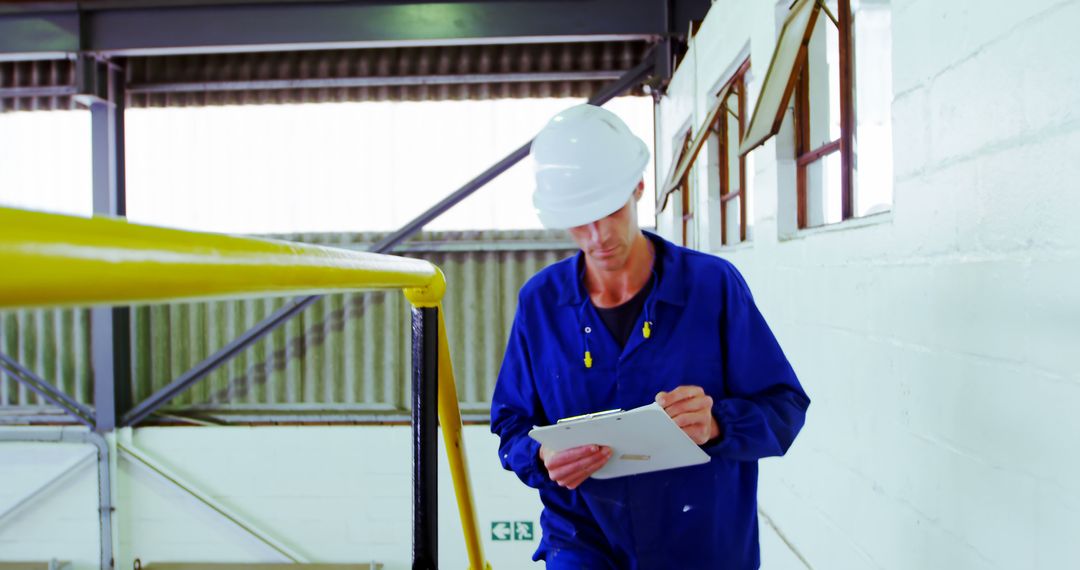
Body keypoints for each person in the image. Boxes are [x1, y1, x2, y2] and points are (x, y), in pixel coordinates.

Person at [490, 104, 810, 569]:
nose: (598, 235)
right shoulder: (540, 303)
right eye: (580, 220)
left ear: (638, 186)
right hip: (582, 541)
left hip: (700, 545)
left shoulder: (713, 288)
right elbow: (510, 425)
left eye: (609, 210)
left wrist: (717, 423)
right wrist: (540, 457)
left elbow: (784, 407)